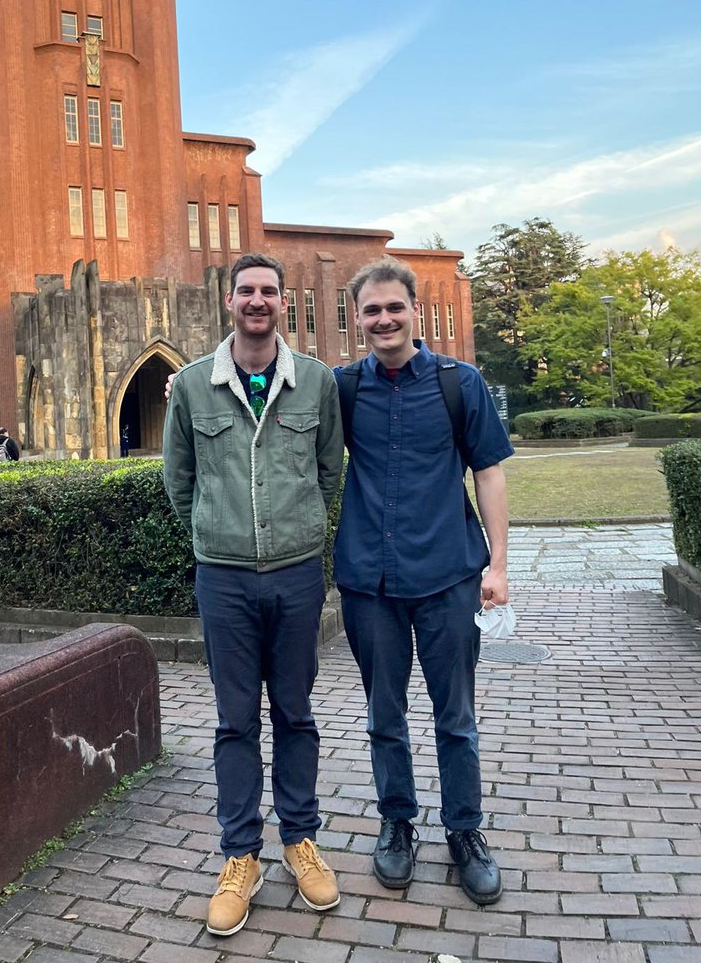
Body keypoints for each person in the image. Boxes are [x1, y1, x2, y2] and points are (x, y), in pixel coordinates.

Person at [162, 253, 344, 937]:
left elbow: (330, 474)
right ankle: (241, 856)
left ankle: (300, 840)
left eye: (269, 291)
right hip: (225, 578)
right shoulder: (191, 386)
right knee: (235, 721)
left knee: (295, 714)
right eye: (247, 291)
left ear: (283, 302)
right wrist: (219, 535)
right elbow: (179, 482)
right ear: (229, 300)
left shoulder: (317, 383)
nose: (258, 301)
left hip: (297, 576)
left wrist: (296, 535)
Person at [333, 257, 513, 906]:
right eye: (371, 309)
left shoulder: (458, 383)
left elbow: (488, 471)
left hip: (447, 574)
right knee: (385, 713)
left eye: (393, 307)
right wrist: (201, 381)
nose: (383, 318)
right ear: (357, 319)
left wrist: (498, 565)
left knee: (454, 716)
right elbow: (273, 396)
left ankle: (465, 832)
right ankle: (397, 823)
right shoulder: (343, 386)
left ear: (415, 310)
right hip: (369, 581)